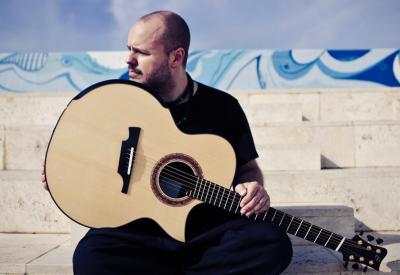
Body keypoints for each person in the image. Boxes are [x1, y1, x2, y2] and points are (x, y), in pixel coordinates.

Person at [45, 10, 292, 274]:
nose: (129, 59)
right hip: (134, 230)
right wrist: (65, 174)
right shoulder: (117, 98)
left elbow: (247, 169)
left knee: (272, 243)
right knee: (91, 259)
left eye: (141, 52)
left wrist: (254, 188)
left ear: (176, 57)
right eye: (129, 49)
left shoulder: (223, 108)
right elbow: (82, 149)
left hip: (205, 232)